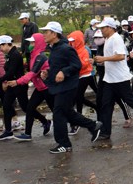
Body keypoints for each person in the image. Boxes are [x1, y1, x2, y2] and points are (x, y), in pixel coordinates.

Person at [37, 22, 103, 153]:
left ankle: (64, 144)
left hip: (67, 87)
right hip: (59, 86)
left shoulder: (66, 48)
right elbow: (58, 66)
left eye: (46, 32)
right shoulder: (54, 49)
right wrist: (48, 73)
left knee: (58, 115)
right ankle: (94, 126)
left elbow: (76, 64)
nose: (44, 34)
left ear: (54, 34)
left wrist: (64, 72)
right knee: (68, 113)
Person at [94, 18, 133, 139]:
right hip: (110, 79)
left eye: (103, 28)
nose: (101, 30)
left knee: (130, 100)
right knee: (106, 104)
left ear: (110, 28)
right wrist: (97, 61)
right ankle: (106, 131)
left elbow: (121, 56)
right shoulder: (108, 39)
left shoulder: (116, 39)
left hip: (120, 78)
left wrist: (103, 59)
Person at [12, 33, 53, 142]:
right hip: (40, 88)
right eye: (30, 42)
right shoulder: (33, 55)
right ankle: (28, 134)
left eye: (32, 42)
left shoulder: (41, 56)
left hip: (47, 88)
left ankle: (77, 125)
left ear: (38, 43)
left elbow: (33, 73)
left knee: (58, 111)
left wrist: (18, 82)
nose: (30, 45)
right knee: (29, 109)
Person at [0, 35, 28, 141]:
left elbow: (10, 72)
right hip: (11, 85)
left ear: (6, 44)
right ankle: (8, 131)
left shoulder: (15, 55)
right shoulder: (9, 55)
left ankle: (45, 121)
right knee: (6, 106)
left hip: (19, 85)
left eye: (0, 46)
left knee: (26, 107)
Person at [68, 30, 100, 134]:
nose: (72, 43)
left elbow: (85, 64)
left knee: (78, 97)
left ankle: (77, 121)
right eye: (70, 41)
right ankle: (95, 108)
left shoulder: (85, 50)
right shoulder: (71, 50)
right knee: (78, 97)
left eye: (73, 41)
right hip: (77, 76)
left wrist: (73, 64)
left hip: (86, 75)